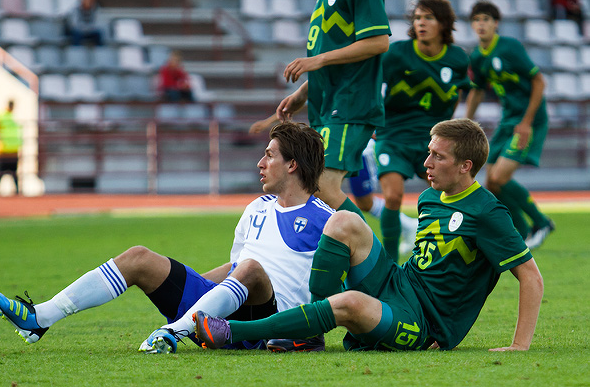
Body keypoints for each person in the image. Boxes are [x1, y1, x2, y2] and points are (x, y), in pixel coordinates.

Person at [194, 118, 544, 353]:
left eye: (438, 156)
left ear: (466, 166)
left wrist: (519, 345)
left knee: (349, 303)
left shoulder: (488, 212)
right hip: (401, 284)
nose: (427, 162)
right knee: (344, 221)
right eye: (428, 152)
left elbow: (530, 276)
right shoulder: (429, 197)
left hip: (425, 324)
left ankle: (234, 332)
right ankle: (310, 333)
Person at [0, 122, 333, 353]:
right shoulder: (256, 207)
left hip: (267, 329)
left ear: (292, 165)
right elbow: (235, 268)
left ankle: (175, 332)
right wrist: (193, 288)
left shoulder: (328, 221)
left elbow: (333, 293)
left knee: (253, 269)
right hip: (222, 313)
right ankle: (40, 317)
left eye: (269, 155)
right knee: (139, 257)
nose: (260, 163)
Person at [275, 0, 390, 220]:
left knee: (323, 188)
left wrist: (317, 60)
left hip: (351, 102)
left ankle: (372, 257)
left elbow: (378, 42)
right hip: (329, 103)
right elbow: (333, 50)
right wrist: (304, 92)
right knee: (312, 188)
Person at [375, 0, 470, 263]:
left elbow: (464, 91)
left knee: (448, 197)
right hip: (393, 136)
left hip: (432, 140)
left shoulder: (457, 59)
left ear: (443, 24)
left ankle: (445, 258)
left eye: (428, 17)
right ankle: (390, 267)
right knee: (393, 197)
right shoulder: (397, 53)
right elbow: (371, 85)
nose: (421, 23)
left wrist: (450, 129)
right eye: (417, 17)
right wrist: (373, 117)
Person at [249, 115, 418, 253]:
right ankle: (406, 226)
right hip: (334, 128)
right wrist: (268, 121)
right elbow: (305, 94)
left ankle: (371, 251)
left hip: (350, 133)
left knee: (323, 189)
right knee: (364, 202)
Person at [466, 0, 555, 250]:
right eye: (477, 19)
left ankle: (541, 222)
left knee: (500, 176)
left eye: (486, 19)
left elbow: (538, 82)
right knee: (491, 183)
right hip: (508, 120)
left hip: (530, 120)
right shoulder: (477, 56)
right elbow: (477, 91)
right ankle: (523, 231)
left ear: (496, 24)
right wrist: (465, 121)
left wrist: (527, 122)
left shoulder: (510, 47)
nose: (481, 24)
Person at [0, 100, 22, 195]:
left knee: (13, 174)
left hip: (13, 150)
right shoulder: (1, 117)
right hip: (3, 150)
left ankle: (16, 194)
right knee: (1, 173)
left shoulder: (12, 118)